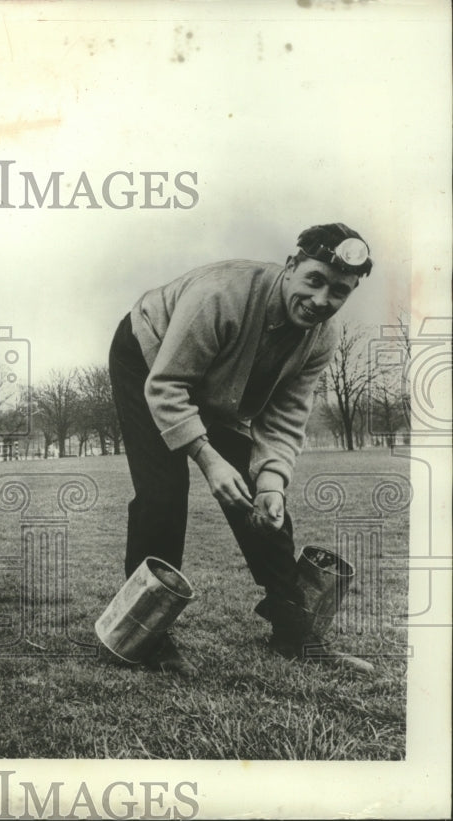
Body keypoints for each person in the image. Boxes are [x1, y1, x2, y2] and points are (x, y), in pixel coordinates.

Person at [108, 223, 375, 676]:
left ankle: (293, 629)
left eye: (339, 292)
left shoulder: (322, 336)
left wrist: (272, 480)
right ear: (291, 267)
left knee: (262, 497)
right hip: (149, 362)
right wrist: (208, 458)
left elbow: (287, 414)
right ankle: (146, 635)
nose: (321, 301)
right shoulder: (220, 295)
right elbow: (170, 384)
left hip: (219, 383)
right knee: (163, 493)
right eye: (314, 280)